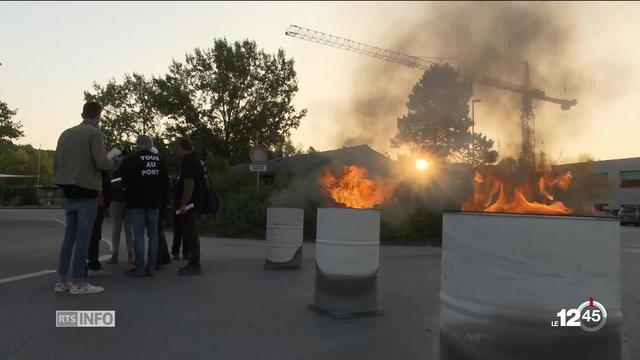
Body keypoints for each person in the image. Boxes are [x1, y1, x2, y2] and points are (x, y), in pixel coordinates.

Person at [53, 101, 112, 294]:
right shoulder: (95, 134)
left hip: (68, 189)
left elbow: (56, 163)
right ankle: (78, 282)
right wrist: (114, 160)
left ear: (82, 113)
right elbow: (102, 162)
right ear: (98, 115)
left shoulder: (65, 133)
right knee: (83, 238)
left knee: (69, 236)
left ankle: (62, 280)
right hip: (87, 190)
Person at [121, 135, 169, 277]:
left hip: (137, 202)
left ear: (138, 145)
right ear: (150, 145)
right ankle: (152, 267)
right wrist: (165, 204)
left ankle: (140, 268)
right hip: (155, 203)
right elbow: (165, 184)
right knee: (153, 235)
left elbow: (124, 181)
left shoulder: (131, 160)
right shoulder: (160, 160)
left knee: (139, 236)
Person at [175, 138, 204, 276]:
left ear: (183, 148)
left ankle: (194, 264)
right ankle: (193, 262)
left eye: (177, 148)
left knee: (191, 234)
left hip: (190, 204)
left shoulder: (188, 161)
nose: (176, 151)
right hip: (197, 202)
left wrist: (183, 203)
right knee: (192, 234)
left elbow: (188, 183)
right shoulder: (197, 159)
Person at [108, 150, 134, 264]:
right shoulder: (127, 170)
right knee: (125, 229)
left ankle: (119, 255)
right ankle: (127, 255)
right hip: (123, 200)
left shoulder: (113, 171)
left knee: (119, 229)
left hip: (118, 200)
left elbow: (110, 184)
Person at [86, 170, 112, 275]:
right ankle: (93, 265)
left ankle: (82, 265)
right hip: (97, 200)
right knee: (94, 234)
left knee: (84, 234)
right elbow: (106, 184)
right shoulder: (98, 167)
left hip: (82, 199)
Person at [170, 174, 189, 261]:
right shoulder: (188, 180)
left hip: (178, 207)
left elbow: (172, 189)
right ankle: (184, 252)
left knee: (178, 232)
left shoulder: (177, 180)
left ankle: (177, 252)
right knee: (184, 231)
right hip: (185, 207)